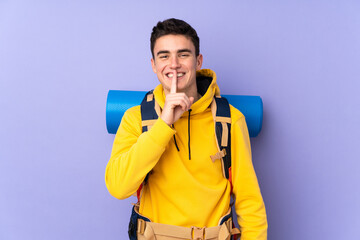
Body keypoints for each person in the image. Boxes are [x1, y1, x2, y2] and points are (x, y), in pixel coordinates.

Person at [105, 18, 267, 240]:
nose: (173, 64)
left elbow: (250, 203)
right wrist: (163, 125)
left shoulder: (229, 120)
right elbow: (118, 187)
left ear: (198, 61)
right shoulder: (135, 118)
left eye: (183, 54)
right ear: (153, 64)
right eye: (164, 56)